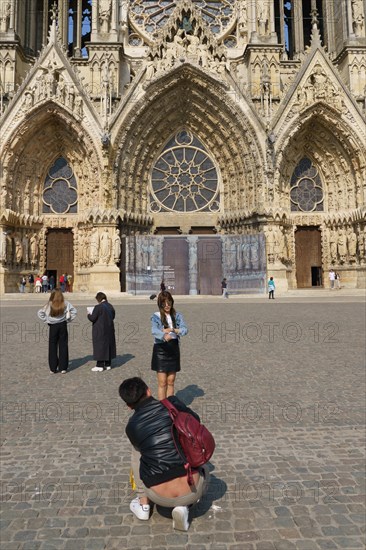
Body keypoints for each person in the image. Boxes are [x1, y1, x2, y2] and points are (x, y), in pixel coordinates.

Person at [118, 377, 209, 532]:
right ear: (149, 390)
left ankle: (143, 504)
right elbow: (195, 422)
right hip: (191, 489)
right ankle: (183, 506)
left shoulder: (131, 427)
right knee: (205, 468)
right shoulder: (172, 403)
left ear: (128, 406)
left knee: (137, 450)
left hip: (157, 494)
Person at [151, 291, 188, 400]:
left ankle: (170, 407)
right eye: (164, 303)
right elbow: (154, 330)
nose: (167, 305)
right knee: (162, 382)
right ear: (160, 304)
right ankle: (163, 407)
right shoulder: (156, 316)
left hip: (173, 349)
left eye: (169, 302)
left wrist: (173, 330)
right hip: (161, 349)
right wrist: (163, 335)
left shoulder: (178, 316)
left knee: (171, 381)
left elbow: (185, 330)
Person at [37, 289, 77, 374]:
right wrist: (68, 320)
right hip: (63, 325)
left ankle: (53, 368)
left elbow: (40, 313)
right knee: (63, 345)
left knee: (52, 346)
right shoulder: (65, 303)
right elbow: (74, 311)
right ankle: (63, 367)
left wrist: (47, 320)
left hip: (53, 326)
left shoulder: (49, 304)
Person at [87, 292, 116, 372]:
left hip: (100, 329)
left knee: (100, 346)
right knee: (108, 345)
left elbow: (93, 318)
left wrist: (88, 314)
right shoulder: (110, 306)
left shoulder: (98, 307)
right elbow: (113, 316)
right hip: (109, 329)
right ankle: (108, 364)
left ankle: (99, 365)